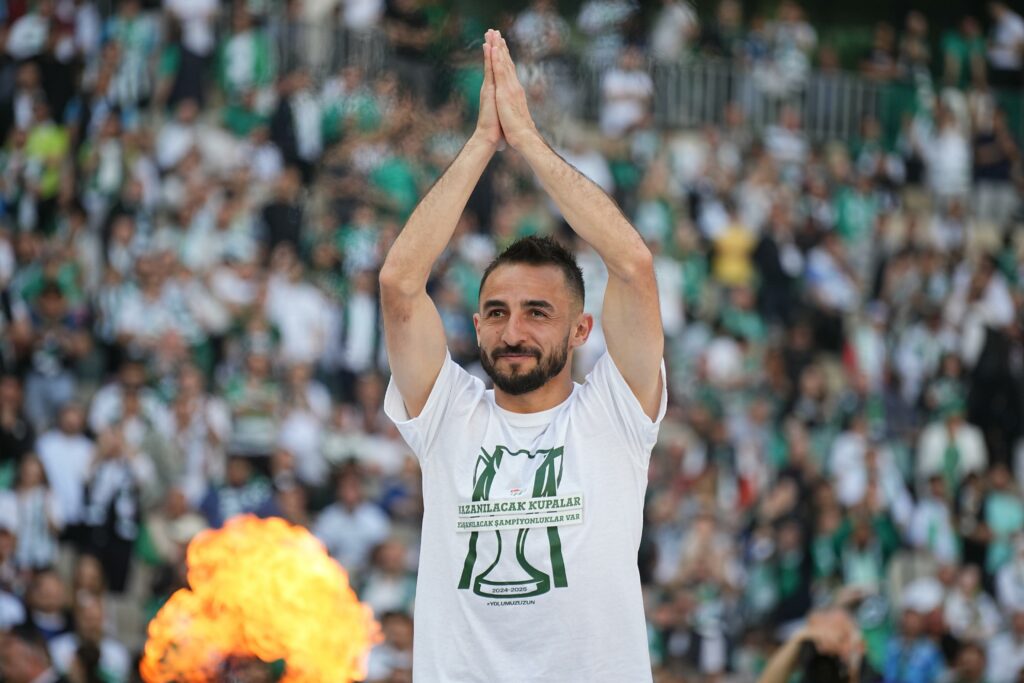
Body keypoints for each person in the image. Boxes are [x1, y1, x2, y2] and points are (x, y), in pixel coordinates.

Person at [379, 29, 665, 682]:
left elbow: (632, 263)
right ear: (477, 325)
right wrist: (483, 141)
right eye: (498, 313)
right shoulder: (447, 414)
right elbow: (399, 282)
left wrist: (529, 141)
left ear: (582, 329)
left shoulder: (616, 413)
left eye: (538, 312)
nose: (513, 331)